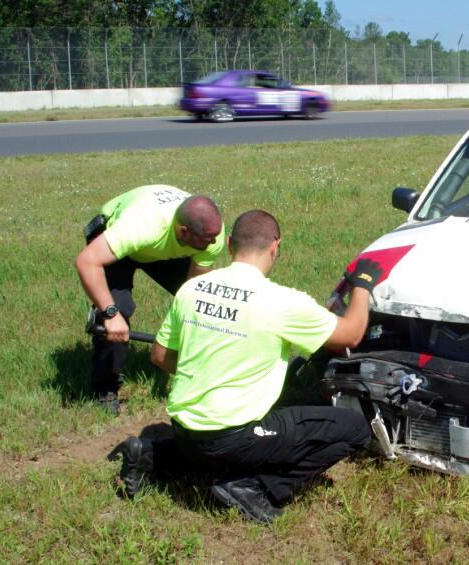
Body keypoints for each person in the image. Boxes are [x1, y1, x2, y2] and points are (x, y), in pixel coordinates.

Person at [118, 209, 381, 524]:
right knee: (354, 429)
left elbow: (159, 356)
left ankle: (153, 454)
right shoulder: (281, 302)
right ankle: (251, 487)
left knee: (211, 445)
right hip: (234, 437)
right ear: (275, 247)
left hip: (184, 428)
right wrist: (363, 284)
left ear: (228, 244)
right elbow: (349, 334)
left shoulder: (191, 289)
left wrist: (208, 367)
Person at [75, 185, 224, 414]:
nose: (214, 245)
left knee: (206, 305)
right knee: (118, 309)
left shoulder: (212, 234)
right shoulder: (140, 226)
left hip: (160, 246)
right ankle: (105, 388)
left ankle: (204, 371)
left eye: (214, 238)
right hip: (123, 241)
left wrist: (187, 329)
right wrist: (110, 314)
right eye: (207, 240)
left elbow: (195, 294)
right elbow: (87, 261)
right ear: (184, 232)